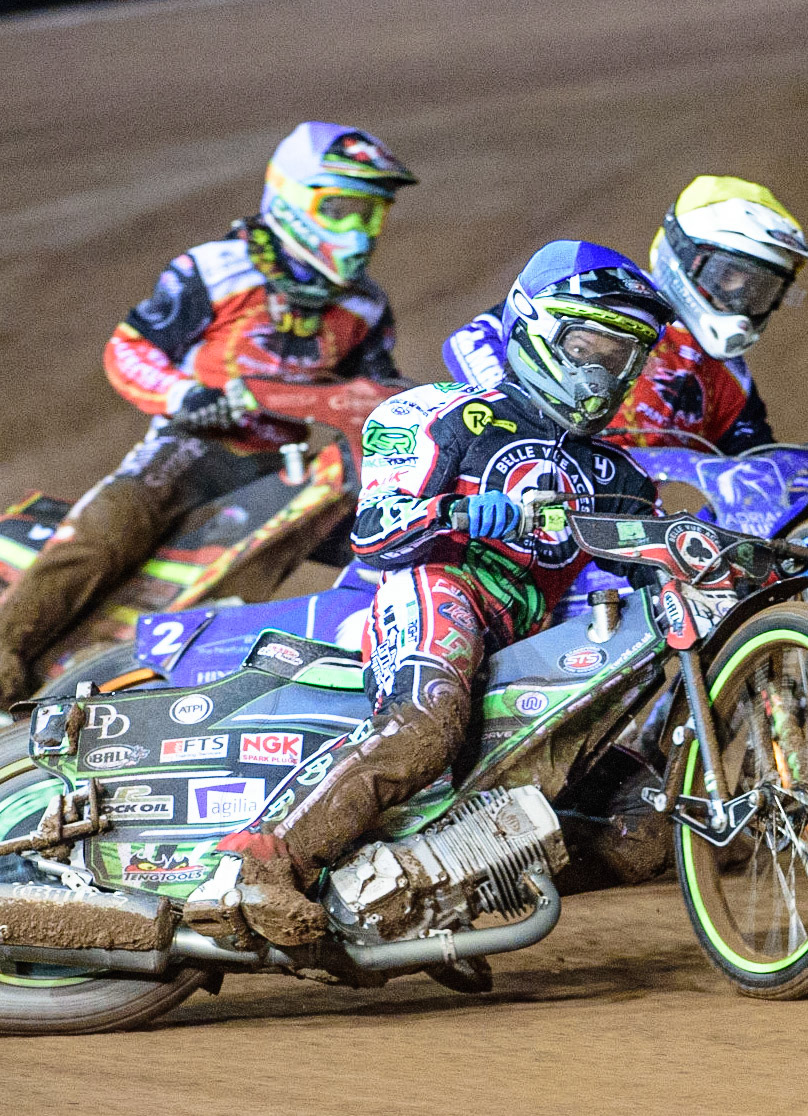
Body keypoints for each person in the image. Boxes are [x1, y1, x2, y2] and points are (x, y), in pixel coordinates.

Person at [190, 240, 679, 945]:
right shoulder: (443, 412)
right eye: (589, 347)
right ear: (537, 328)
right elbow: (375, 534)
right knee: (427, 725)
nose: (604, 372)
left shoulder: (617, 474)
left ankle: (428, 896)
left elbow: (659, 559)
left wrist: (756, 564)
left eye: (623, 356)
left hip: (529, 637)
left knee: (638, 832)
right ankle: (254, 865)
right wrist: (459, 514)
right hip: (438, 587)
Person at [0, 122, 417, 707]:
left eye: (372, 213)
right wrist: (183, 394)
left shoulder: (364, 305)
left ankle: (130, 677)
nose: (359, 230)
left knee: (257, 575)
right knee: (113, 525)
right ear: (290, 198)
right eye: (341, 209)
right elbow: (128, 349)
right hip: (191, 442)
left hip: (276, 467)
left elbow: (376, 392)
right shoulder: (217, 269)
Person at [443, 175, 808, 455]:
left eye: (760, 289)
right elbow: (470, 340)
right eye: (729, 276)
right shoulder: (612, 300)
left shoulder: (727, 376)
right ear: (687, 256)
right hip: (521, 476)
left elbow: (758, 466)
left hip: (622, 512)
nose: (741, 298)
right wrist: (516, 417)